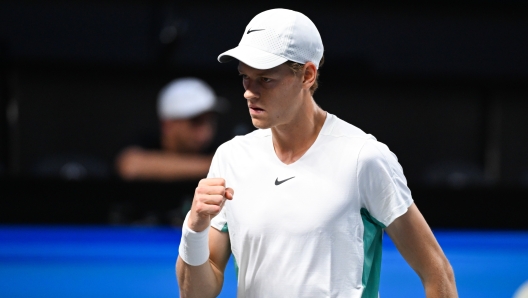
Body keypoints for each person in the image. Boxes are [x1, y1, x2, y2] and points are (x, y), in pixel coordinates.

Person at [176, 8, 457, 298]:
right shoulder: (231, 157)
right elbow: (196, 293)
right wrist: (194, 228)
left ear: (307, 75)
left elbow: (437, 273)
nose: (249, 91)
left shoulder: (364, 158)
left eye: (266, 79)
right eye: (245, 77)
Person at [115, 77, 223, 181]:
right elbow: (129, 166)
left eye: (210, 121)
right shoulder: (146, 141)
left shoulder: (218, 148)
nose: (205, 130)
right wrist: (210, 165)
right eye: (196, 121)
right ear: (168, 125)